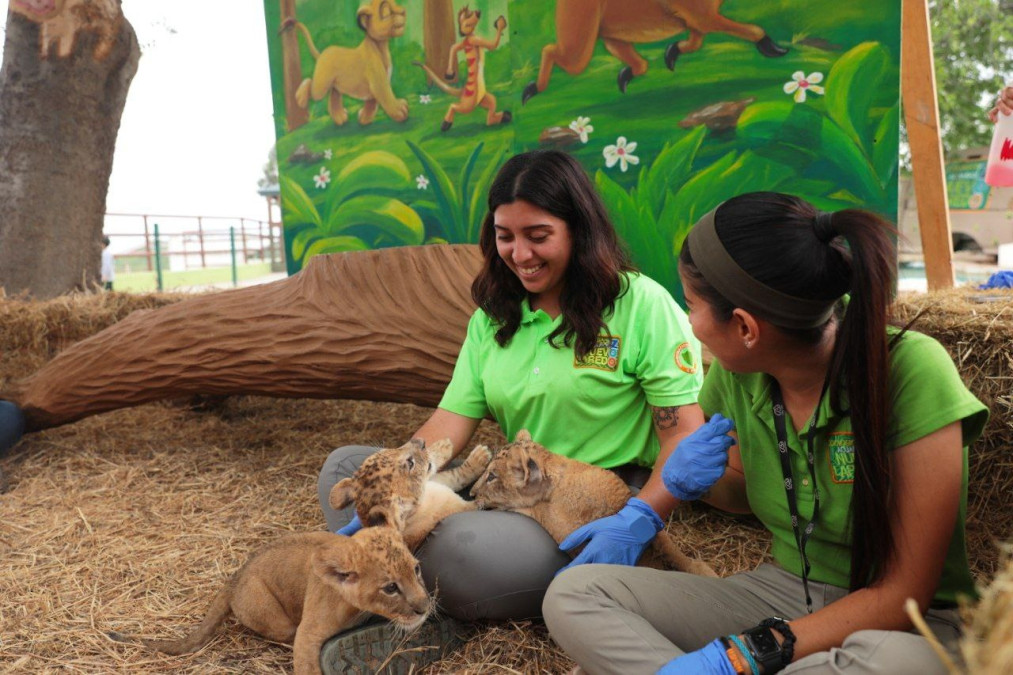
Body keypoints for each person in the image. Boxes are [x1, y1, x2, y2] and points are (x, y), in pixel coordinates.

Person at [542, 191, 989, 675]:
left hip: (905, 623)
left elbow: (905, 594)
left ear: (745, 327)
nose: (690, 325)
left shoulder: (911, 370)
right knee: (574, 595)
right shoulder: (738, 373)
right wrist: (671, 493)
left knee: (883, 664)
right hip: (785, 590)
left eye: (690, 306)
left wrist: (739, 656)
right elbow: (737, 493)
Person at [316, 150, 707, 637]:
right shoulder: (493, 318)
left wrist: (640, 518)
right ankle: (405, 599)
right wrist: (398, 479)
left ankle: (417, 601)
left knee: (463, 554)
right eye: (505, 237)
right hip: (508, 493)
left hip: (588, 509)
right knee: (346, 470)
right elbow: (448, 425)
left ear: (578, 230)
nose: (520, 254)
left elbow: (683, 436)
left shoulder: (639, 303)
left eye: (538, 236)